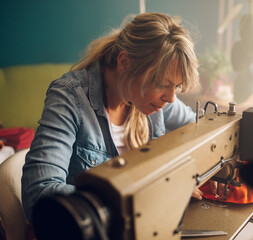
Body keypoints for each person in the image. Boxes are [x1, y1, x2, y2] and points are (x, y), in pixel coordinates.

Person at [21, 12, 204, 223]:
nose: (171, 98)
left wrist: (189, 172)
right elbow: (39, 195)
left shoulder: (152, 100)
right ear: (124, 62)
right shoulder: (70, 97)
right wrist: (148, 192)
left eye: (177, 86)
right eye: (162, 83)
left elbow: (197, 127)